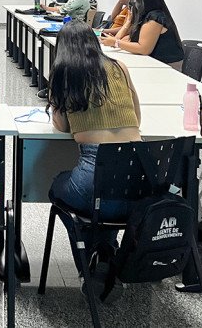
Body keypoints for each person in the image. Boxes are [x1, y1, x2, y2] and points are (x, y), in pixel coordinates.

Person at [46, 21, 142, 299]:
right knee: (106, 200)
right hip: (139, 179)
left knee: (59, 189)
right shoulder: (119, 68)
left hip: (93, 175)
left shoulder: (65, 74)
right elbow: (137, 116)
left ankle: (88, 262)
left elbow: (62, 126)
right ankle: (107, 251)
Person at [100, 0, 184, 70]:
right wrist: (128, 21)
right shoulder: (144, 17)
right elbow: (121, 39)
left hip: (166, 65)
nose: (134, 2)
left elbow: (144, 49)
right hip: (151, 62)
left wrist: (115, 43)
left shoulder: (155, 17)